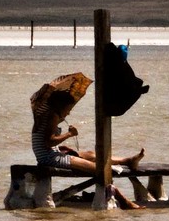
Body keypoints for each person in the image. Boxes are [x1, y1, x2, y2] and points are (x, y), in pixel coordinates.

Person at [30, 72, 143, 203]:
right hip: (49, 158)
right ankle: (123, 201)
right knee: (100, 170)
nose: (69, 112)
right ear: (60, 106)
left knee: (91, 154)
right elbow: (49, 142)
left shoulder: (49, 116)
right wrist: (69, 134)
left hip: (50, 154)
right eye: (68, 109)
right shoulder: (52, 117)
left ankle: (128, 160)